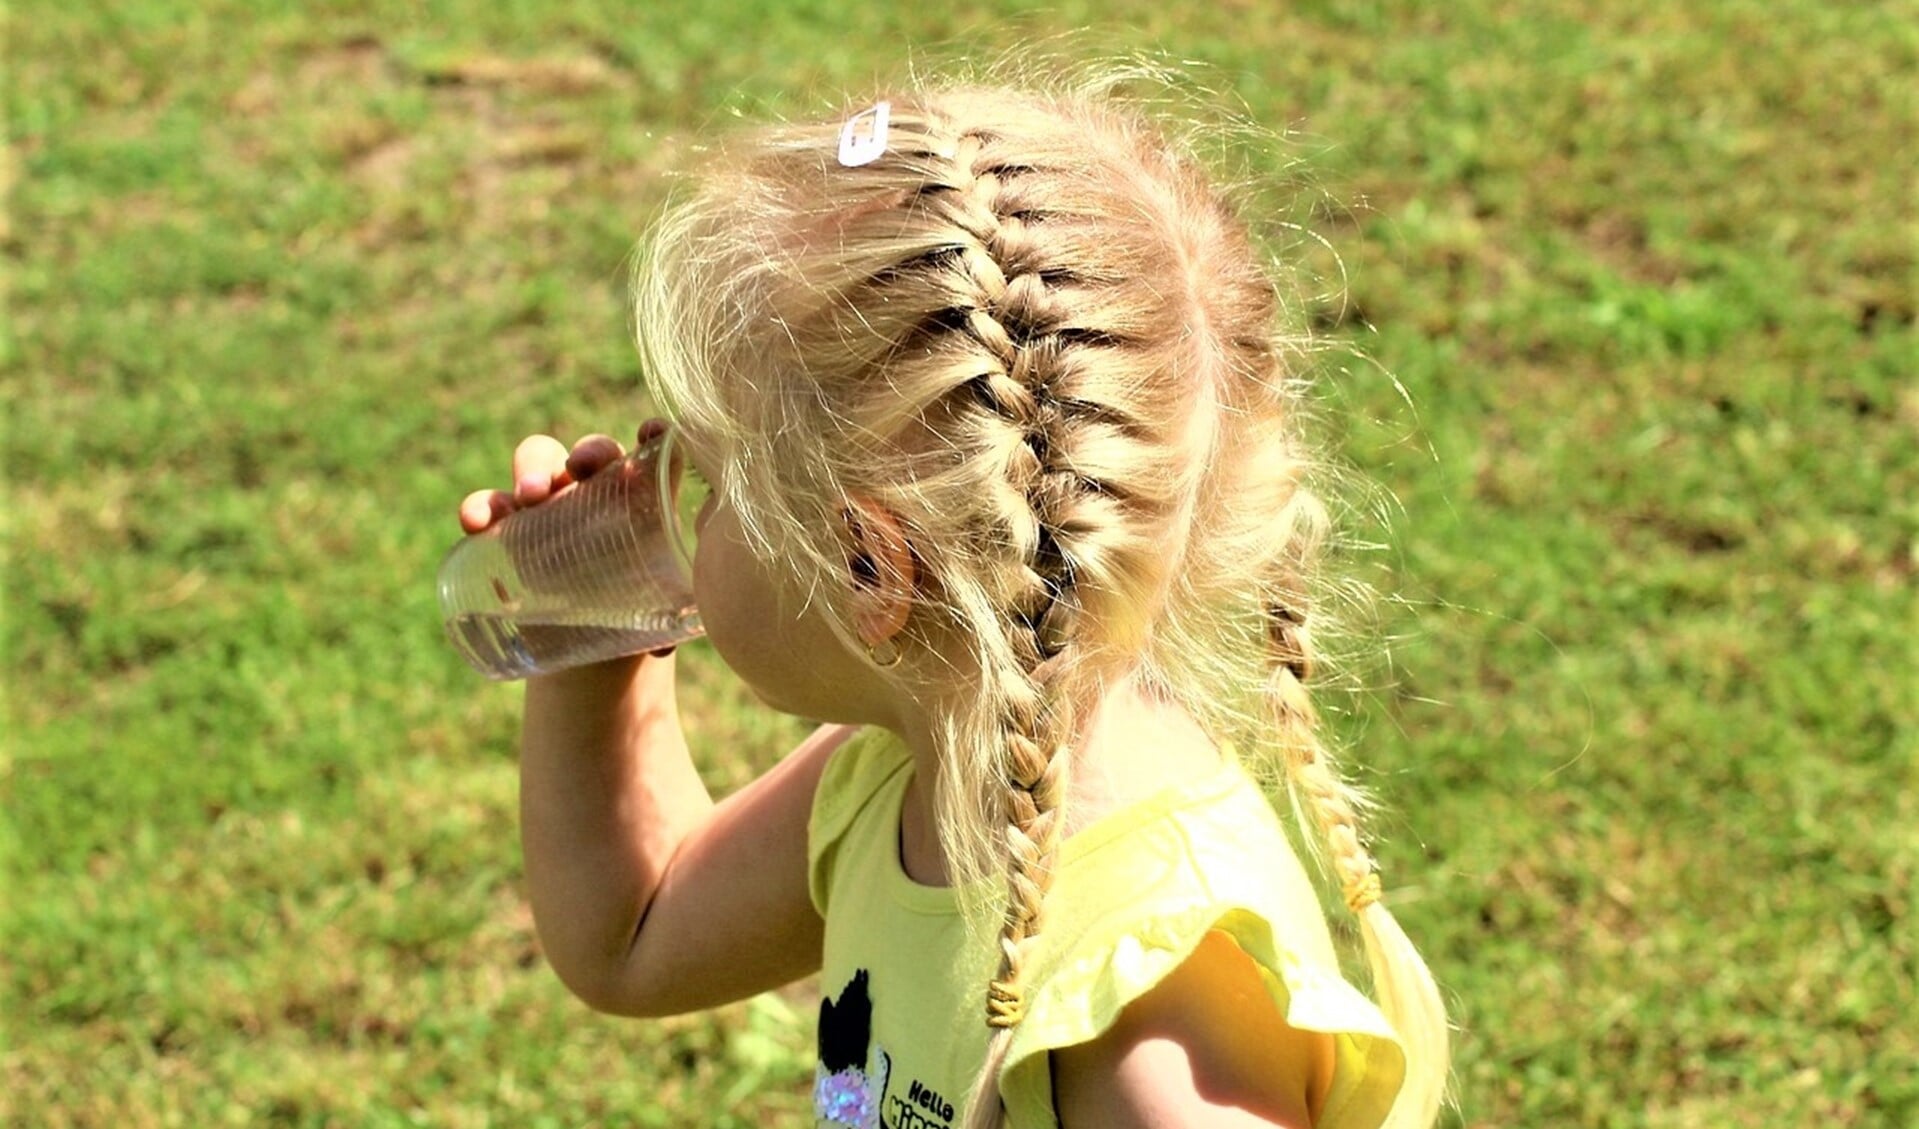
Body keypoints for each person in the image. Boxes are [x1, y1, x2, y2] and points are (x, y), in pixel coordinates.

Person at [457, 71, 1449, 1129]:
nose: (668, 510)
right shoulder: (915, 764)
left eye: (700, 486)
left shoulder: (1151, 1011)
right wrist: (590, 644)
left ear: (867, 570)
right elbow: (637, 932)